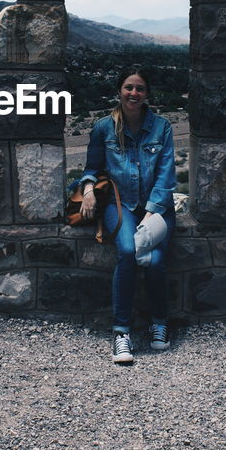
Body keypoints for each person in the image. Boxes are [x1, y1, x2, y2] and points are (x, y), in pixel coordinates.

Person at [77, 68, 177, 364]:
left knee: (156, 261)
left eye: (140, 88)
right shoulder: (103, 128)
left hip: (155, 207)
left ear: (147, 93)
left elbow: (166, 173)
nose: (134, 94)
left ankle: (159, 322)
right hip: (119, 206)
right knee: (127, 250)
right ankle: (122, 333)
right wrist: (88, 189)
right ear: (119, 90)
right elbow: (91, 169)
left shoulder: (162, 127)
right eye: (128, 88)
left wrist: (151, 213)